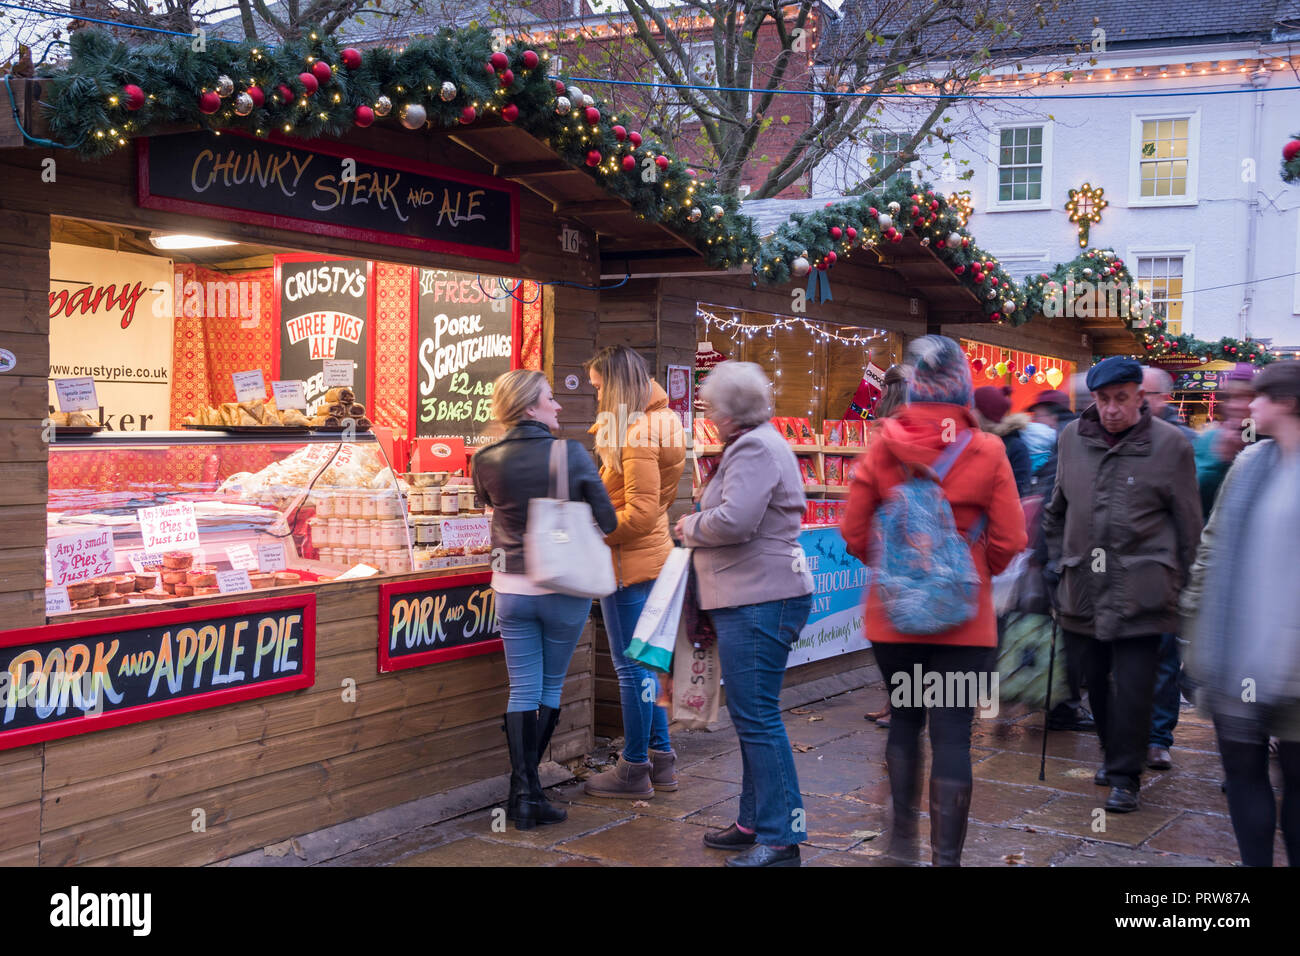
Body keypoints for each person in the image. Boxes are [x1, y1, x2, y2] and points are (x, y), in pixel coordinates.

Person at [842, 335, 1027, 865]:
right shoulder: (989, 450)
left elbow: (854, 533)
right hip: (963, 626)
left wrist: (901, 569)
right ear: (963, 389)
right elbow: (1012, 539)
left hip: (895, 621)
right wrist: (969, 572)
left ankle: (901, 842)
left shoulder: (881, 446)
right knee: (952, 734)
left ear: (917, 387)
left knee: (904, 719)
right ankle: (946, 859)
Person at [1042, 357, 1201, 813]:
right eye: (1102, 400)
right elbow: (1057, 508)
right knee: (1096, 686)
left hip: (1143, 591)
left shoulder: (1170, 445)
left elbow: (1188, 522)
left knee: (1133, 687)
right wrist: (1056, 562)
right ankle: (1115, 757)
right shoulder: (1073, 437)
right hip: (1083, 589)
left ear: (1139, 397)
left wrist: (1184, 585)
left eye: (1120, 399)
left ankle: (1126, 777)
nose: (1111, 409)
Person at [674, 361, 814, 867]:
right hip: (760, 594)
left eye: (710, 405)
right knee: (756, 716)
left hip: (758, 597)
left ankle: (780, 838)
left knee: (758, 719)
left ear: (732, 411)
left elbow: (735, 520)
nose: (707, 413)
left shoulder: (753, 446)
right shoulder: (763, 441)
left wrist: (689, 525)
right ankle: (754, 820)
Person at [472, 370, 617, 830]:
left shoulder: (486, 456)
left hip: (510, 588)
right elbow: (609, 520)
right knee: (549, 688)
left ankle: (525, 792)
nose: (558, 406)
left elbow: (485, 502)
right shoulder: (570, 453)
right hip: (563, 587)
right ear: (530, 407)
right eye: (550, 399)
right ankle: (527, 793)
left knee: (522, 689)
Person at [1181, 360, 1300, 866]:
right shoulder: (1250, 464)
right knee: (1244, 773)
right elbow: (1212, 545)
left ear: (1288, 403)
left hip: (1294, 662)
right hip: (1238, 653)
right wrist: (1192, 619)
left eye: (1261, 397)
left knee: (1296, 782)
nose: (1249, 405)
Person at [580, 346, 686, 799]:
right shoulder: (663, 419)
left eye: (600, 387)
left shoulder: (636, 431)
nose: (595, 396)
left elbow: (638, 513)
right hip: (652, 555)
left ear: (617, 387)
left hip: (628, 562)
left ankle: (634, 768)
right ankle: (661, 760)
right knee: (648, 664)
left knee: (632, 670)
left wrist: (592, 536)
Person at [1026, 387, 1093, 732]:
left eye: (1038, 412)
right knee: (1069, 637)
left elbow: (1054, 506)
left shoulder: (1065, 440)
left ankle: (1062, 706)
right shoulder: (1070, 438)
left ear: (1049, 412)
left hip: (1064, 560)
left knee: (1066, 637)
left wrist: (1045, 556)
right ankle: (1062, 704)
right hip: (1072, 558)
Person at [1140, 366, 1196, 773]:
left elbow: (1192, 517)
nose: (1138, 399)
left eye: (1145, 393)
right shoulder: (1116, 438)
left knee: (1162, 658)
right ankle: (1125, 738)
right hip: (1116, 574)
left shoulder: (1183, 443)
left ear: (1163, 398)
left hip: (1164, 573)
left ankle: (1158, 737)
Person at [863, 363, 911, 729]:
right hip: (916, 537)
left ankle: (899, 705)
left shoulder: (884, 428)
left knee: (894, 629)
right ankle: (898, 703)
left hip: (889, 536)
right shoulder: (923, 426)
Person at [1193, 363, 1257, 517]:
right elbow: (1191, 496)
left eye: (1244, 396)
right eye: (1230, 397)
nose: (1235, 405)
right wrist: (1221, 461)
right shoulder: (1208, 439)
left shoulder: (1266, 441)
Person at [973, 385, 1032, 494]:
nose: (968, 411)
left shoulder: (1014, 447)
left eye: (972, 408)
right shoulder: (968, 440)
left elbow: (1019, 492)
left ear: (981, 414)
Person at [1141, 366, 1197, 442]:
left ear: (1163, 398)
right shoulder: (1126, 432)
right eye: (1135, 394)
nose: (1136, 400)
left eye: (1144, 394)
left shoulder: (1184, 439)